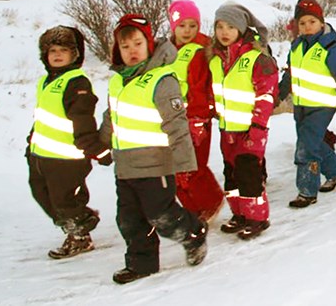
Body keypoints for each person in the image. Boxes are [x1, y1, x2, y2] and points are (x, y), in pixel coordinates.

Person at [98, 14, 207, 284]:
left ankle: (193, 232)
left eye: (137, 44)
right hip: (125, 166)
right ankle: (141, 263)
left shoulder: (161, 80)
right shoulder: (118, 82)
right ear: (117, 50)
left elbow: (177, 125)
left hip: (156, 165)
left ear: (149, 44)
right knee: (129, 220)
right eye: (125, 47)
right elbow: (112, 116)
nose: (132, 51)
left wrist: (184, 165)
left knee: (162, 216)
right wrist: (101, 143)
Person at [28, 26, 106, 259]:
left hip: (68, 159)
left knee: (66, 200)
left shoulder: (77, 82)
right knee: (41, 194)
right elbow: (43, 117)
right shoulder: (45, 81)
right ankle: (80, 220)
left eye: (64, 49)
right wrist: (30, 144)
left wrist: (96, 150)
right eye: (52, 50)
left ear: (75, 54)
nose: (58, 54)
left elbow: (83, 120)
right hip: (41, 156)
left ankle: (80, 235)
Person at [208, 3, 278, 238]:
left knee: (250, 174)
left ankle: (257, 217)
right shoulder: (216, 60)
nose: (224, 32)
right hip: (227, 129)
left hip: (251, 130)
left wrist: (258, 127)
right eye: (219, 26)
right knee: (232, 174)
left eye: (230, 26)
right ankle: (239, 214)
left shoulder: (256, 58)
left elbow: (266, 96)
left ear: (241, 29)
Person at [284, 0, 336, 207]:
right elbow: (290, 74)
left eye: (312, 22)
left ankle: (307, 191)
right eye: (302, 23)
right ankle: (334, 171)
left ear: (321, 23)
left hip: (323, 106)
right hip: (301, 105)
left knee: (305, 147)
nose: (307, 27)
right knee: (313, 143)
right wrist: (278, 93)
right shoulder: (296, 47)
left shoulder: (330, 49)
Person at [166, 0, 225, 223]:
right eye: (182, 26)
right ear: (173, 26)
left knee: (193, 165)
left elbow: (200, 86)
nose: (188, 31)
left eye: (193, 25)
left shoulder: (200, 51)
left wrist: (199, 118)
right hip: (173, 119)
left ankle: (211, 202)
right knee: (176, 169)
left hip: (194, 117)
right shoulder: (168, 51)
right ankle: (193, 209)